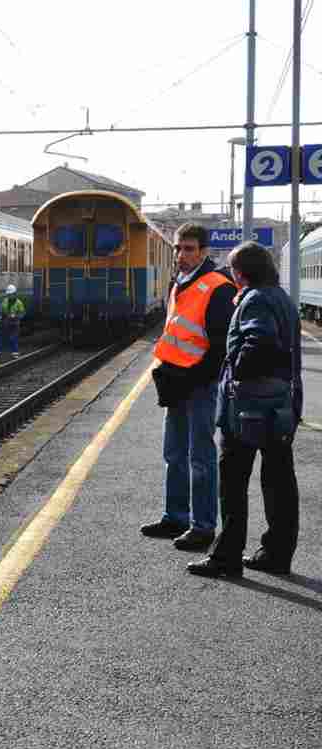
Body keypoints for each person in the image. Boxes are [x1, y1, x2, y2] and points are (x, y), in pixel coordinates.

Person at [187, 242, 302, 577]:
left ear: (242, 272)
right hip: (281, 404)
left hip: (249, 409)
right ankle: (276, 554)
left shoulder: (255, 299)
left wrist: (234, 367)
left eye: (233, 269)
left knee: (233, 482)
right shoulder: (281, 297)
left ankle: (227, 558)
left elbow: (258, 345)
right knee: (279, 480)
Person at [141, 223, 237, 551]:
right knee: (174, 454)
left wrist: (193, 377)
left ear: (204, 251)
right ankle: (176, 517)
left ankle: (203, 526)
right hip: (178, 383)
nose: (182, 255)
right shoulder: (178, 283)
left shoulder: (218, 286)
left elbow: (221, 347)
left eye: (189, 249)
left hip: (201, 386)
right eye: (178, 248)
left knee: (200, 457)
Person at [1, 285, 25, 358]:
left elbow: (22, 313)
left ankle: (15, 352)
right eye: (8, 295)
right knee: (7, 337)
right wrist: (0, 316)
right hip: (7, 322)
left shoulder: (19, 303)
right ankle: (9, 351)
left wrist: (16, 316)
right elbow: (2, 310)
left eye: (10, 294)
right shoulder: (5, 301)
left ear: (15, 294)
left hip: (15, 323)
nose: (9, 296)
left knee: (14, 337)